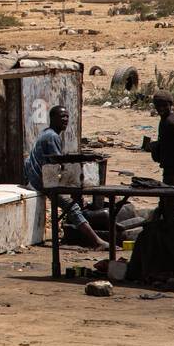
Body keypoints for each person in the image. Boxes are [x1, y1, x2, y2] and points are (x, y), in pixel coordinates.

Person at [23, 106, 105, 249]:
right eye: (62, 117)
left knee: (74, 200)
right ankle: (97, 241)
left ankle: (72, 234)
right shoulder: (52, 137)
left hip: (39, 177)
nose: (65, 120)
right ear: (52, 118)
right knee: (72, 206)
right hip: (41, 180)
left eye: (67, 116)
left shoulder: (48, 133)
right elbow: (58, 162)